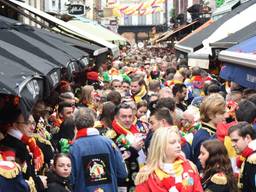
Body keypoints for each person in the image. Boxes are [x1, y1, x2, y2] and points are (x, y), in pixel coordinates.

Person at [70, 107, 127, 192]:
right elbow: (122, 173)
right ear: (93, 122)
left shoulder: (74, 148)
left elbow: (70, 179)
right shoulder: (109, 142)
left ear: (75, 124)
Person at [135, 127, 203, 192]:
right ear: (160, 146)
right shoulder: (146, 174)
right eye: (173, 142)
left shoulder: (190, 167)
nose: (178, 145)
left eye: (178, 142)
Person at [192, 93, 226, 170]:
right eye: (222, 113)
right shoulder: (206, 138)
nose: (225, 116)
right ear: (210, 115)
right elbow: (202, 166)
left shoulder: (206, 132)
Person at [228, 122, 256, 192]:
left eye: (235, 140)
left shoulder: (253, 159)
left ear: (247, 138)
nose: (232, 145)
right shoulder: (248, 155)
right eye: (232, 141)